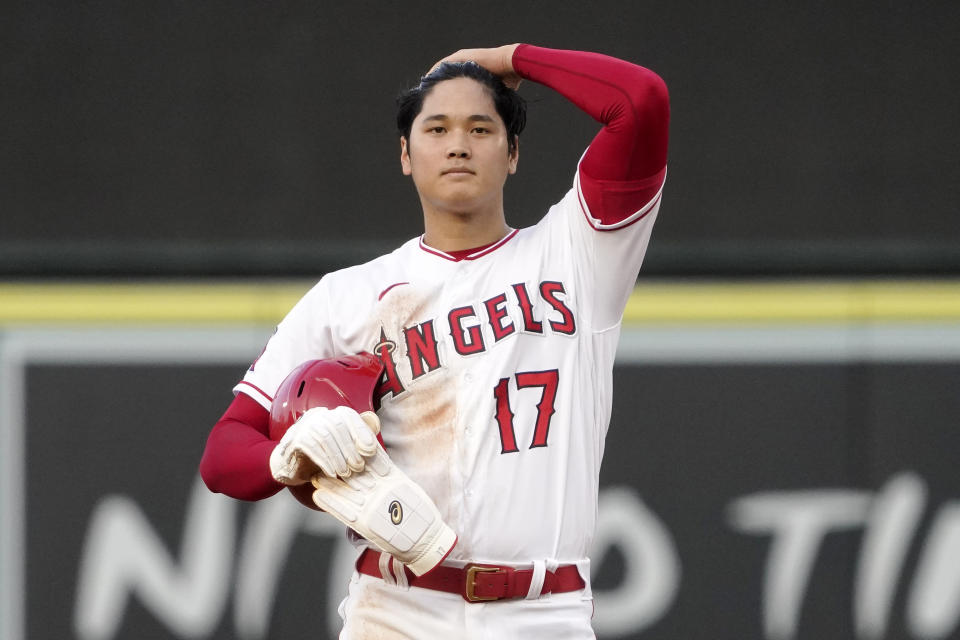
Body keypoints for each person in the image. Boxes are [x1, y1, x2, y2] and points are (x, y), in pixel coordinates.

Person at [200, 43, 669, 638]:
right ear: (405, 154)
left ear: (513, 153)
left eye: (481, 128)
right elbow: (222, 454)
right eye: (437, 127)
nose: (457, 145)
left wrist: (508, 59)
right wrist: (281, 459)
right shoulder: (348, 296)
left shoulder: (579, 254)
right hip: (396, 609)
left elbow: (639, 102)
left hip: (543, 610)